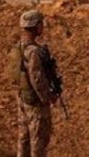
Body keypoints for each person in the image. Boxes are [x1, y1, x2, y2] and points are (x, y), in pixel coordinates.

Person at [13, 10, 60, 157]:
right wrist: (49, 97)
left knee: (24, 140)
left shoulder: (18, 47)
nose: (43, 27)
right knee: (38, 142)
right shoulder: (33, 51)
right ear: (36, 26)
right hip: (35, 104)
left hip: (23, 99)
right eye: (41, 24)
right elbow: (37, 79)